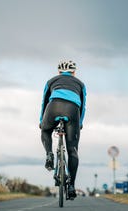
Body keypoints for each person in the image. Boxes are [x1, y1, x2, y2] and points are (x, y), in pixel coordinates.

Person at [39, 60, 86, 199]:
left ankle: (49, 154)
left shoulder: (51, 81)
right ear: (74, 72)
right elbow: (83, 106)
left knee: (46, 130)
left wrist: (42, 121)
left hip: (53, 107)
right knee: (72, 150)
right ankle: (71, 186)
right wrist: (80, 123)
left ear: (59, 71)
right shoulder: (80, 84)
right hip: (72, 110)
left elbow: (44, 101)